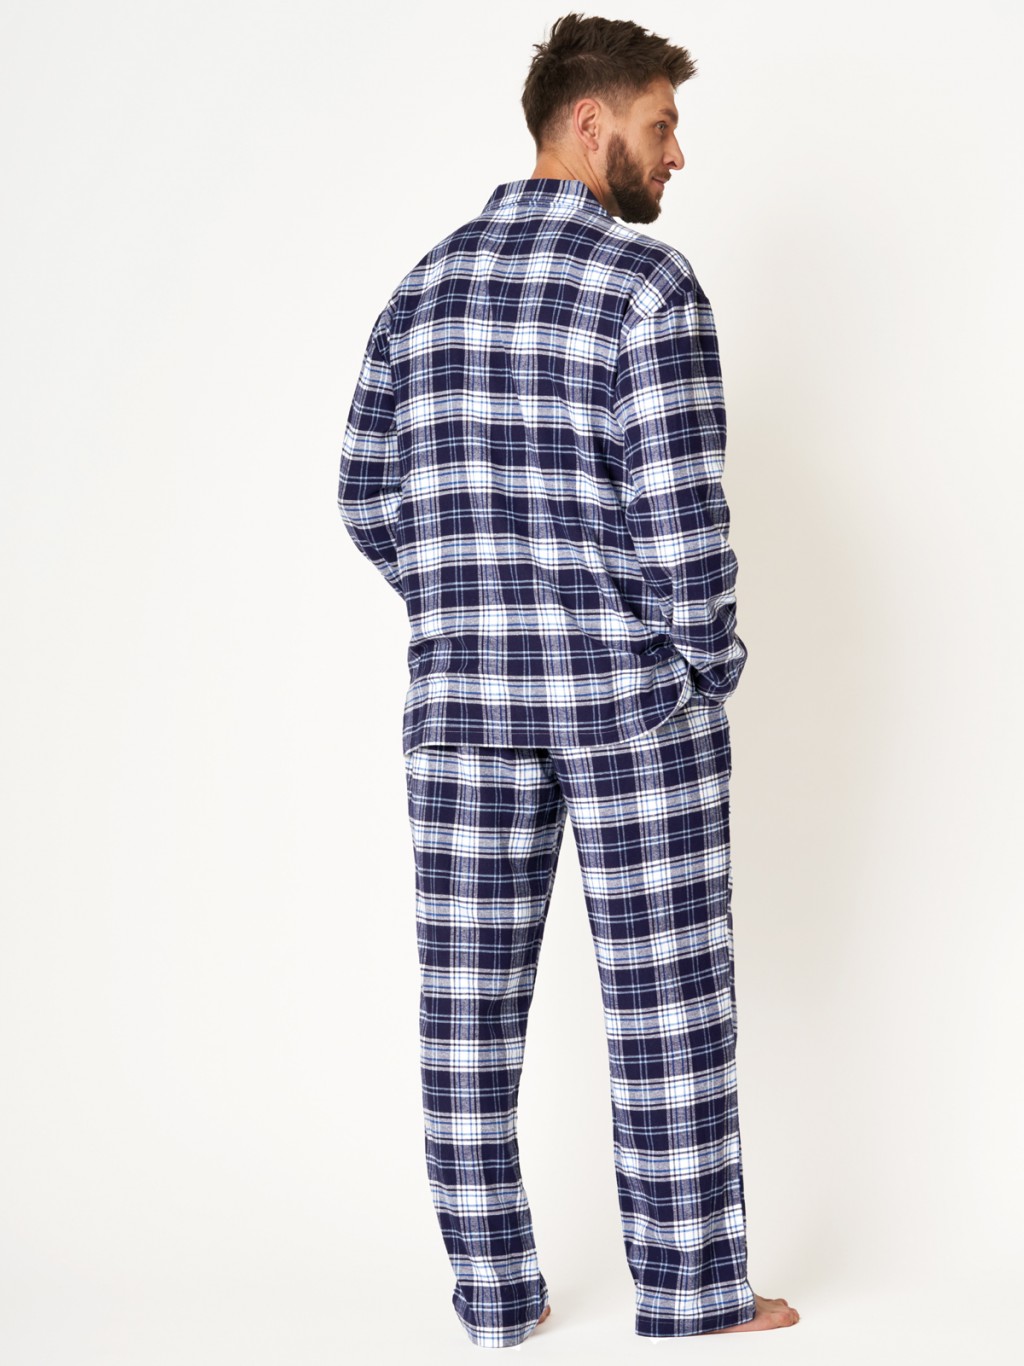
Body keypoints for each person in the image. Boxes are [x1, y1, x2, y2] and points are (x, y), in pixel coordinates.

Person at [337, 11, 799, 1349]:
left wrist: (466, 604)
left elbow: (364, 490)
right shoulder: (647, 291)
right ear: (588, 125)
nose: (677, 154)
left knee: (466, 1016)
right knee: (669, 1007)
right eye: (661, 125)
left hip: (465, 712)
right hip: (631, 711)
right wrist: (704, 663)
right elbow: (684, 527)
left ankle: (497, 1299)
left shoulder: (424, 288)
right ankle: (692, 1293)